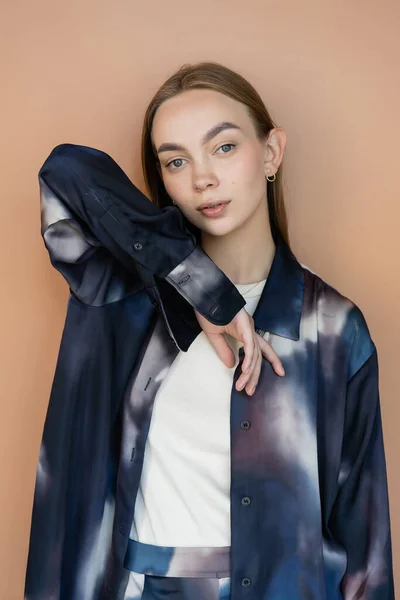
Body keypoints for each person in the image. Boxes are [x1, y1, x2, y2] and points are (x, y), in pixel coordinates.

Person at [24, 62, 394, 600]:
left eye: (223, 147)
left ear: (271, 152)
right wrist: (200, 288)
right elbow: (65, 172)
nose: (202, 178)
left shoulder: (333, 328)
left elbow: (366, 548)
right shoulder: (122, 294)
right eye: (177, 160)